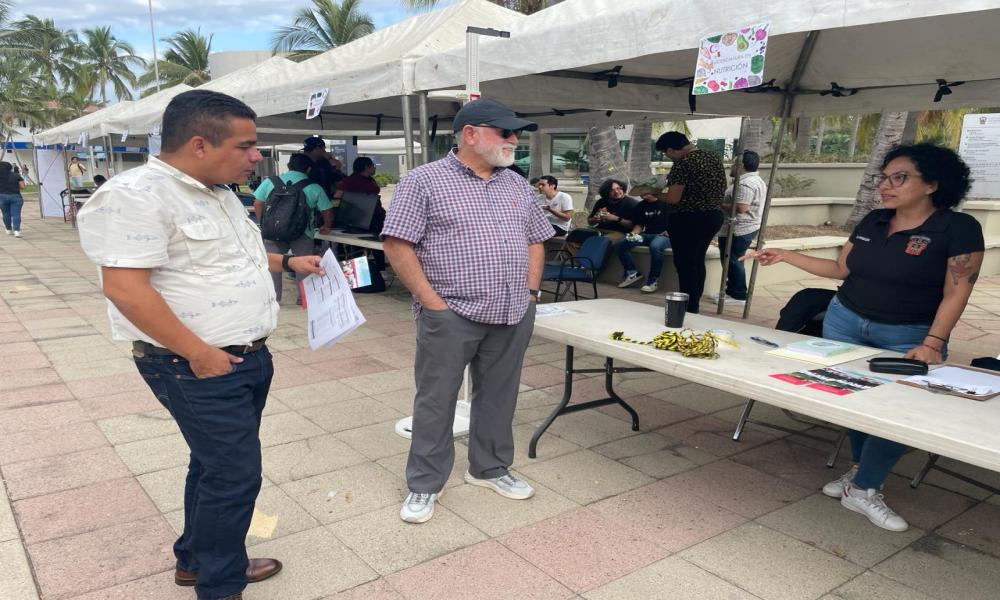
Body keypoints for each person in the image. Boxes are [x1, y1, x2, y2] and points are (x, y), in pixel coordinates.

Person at [77, 89, 326, 600]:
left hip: (246, 356)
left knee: (214, 466)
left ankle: (198, 559)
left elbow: (234, 260)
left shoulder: (217, 191)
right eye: (247, 145)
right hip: (193, 364)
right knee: (236, 476)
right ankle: (220, 584)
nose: (257, 156)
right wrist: (199, 353)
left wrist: (289, 263)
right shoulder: (136, 195)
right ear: (198, 145)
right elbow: (125, 288)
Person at [745, 143, 984, 532]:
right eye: (884, 177)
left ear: (933, 184)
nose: (885, 186)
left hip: (907, 333)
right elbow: (841, 268)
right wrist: (785, 256)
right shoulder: (873, 220)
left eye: (899, 178)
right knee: (856, 400)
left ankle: (863, 486)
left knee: (902, 411)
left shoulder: (958, 228)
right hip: (845, 322)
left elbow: (958, 291)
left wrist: (934, 342)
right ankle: (860, 475)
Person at [382, 97, 551, 524]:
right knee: (436, 401)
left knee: (499, 396)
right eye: (505, 132)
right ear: (470, 134)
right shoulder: (423, 181)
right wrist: (431, 303)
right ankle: (424, 483)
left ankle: (490, 467)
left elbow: (536, 239)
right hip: (451, 313)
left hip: (512, 311)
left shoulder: (516, 184)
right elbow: (398, 244)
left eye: (515, 132)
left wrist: (531, 294)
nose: (514, 139)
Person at [649, 132, 727, 313]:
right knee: (697, 261)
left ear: (670, 149)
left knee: (685, 264)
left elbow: (673, 198)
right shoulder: (712, 157)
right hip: (713, 215)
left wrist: (655, 194)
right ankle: (694, 302)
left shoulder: (683, 163)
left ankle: (688, 307)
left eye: (666, 154)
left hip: (689, 218)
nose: (667, 157)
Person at [253, 153, 334, 304]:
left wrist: (264, 223)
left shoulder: (270, 182)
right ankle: (304, 299)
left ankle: (273, 300)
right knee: (304, 265)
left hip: (273, 232)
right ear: (308, 169)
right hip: (303, 233)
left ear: (289, 166)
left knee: (272, 265)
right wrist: (326, 226)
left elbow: (257, 203)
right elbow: (327, 210)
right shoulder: (313, 186)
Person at [711, 150, 767, 305]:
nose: (731, 166)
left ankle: (738, 295)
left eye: (734, 163)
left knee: (733, 260)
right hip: (742, 227)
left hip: (740, 228)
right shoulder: (753, 180)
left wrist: (719, 204)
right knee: (731, 259)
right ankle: (731, 291)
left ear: (741, 165)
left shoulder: (746, 183)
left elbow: (742, 207)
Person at [615, 192, 671, 293]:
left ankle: (653, 280)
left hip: (663, 236)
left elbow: (678, 219)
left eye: (644, 190)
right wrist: (631, 236)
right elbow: (639, 225)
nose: (641, 193)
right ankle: (632, 273)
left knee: (655, 246)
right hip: (646, 235)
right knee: (622, 243)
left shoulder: (666, 203)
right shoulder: (641, 205)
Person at [587, 178, 638, 243]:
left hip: (620, 232)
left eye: (618, 188)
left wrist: (616, 218)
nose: (616, 192)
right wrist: (595, 219)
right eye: (612, 190)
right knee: (578, 235)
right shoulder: (601, 202)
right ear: (606, 192)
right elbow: (590, 221)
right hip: (600, 229)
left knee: (602, 241)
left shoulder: (632, 204)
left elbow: (635, 226)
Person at [0, 161, 26, 238]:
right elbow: (23, 187)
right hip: (16, 196)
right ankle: (17, 231)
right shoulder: (16, 175)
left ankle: (8, 229)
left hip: (2, 197)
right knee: (16, 214)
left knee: (5, 214)